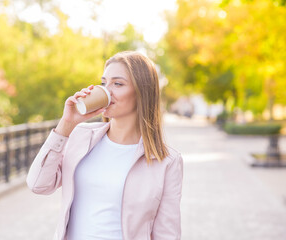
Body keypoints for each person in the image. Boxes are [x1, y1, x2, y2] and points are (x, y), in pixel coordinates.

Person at [26, 51, 183, 240]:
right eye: (103, 83)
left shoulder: (166, 161)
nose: (107, 91)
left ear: (142, 92)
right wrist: (66, 124)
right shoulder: (81, 136)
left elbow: (167, 233)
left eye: (117, 84)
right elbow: (38, 184)